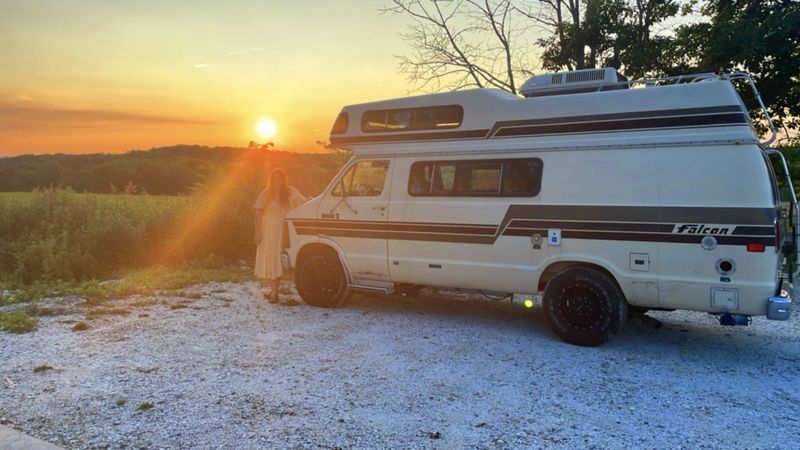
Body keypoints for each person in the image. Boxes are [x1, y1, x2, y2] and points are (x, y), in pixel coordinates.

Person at [254, 169, 307, 305]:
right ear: (272, 181)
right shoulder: (266, 194)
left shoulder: (290, 192)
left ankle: (275, 291)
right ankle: (274, 293)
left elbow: (304, 204)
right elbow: (258, 215)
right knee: (272, 259)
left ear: (284, 180)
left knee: (282, 258)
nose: (278, 181)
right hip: (269, 230)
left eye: (280, 179)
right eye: (275, 179)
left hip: (285, 229)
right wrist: (257, 232)